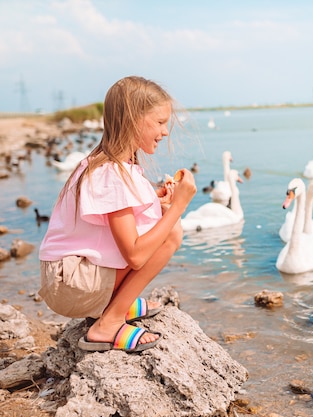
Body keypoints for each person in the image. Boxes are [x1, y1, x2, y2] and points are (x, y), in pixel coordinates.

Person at [38, 76, 197, 352]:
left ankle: (116, 299)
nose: (165, 131)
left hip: (67, 278)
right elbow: (135, 255)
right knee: (171, 232)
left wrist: (156, 205)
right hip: (71, 287)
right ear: (134, 119)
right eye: (160, 122)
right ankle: (109, 321)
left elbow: (109, 224)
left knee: (161, 226)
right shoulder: (113, 174)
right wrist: (179, 207)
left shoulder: (108, 164)